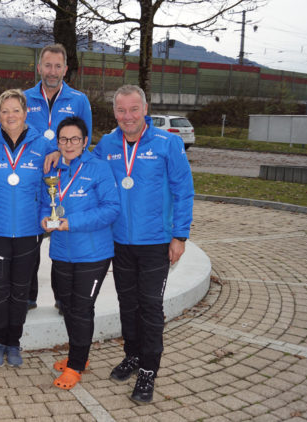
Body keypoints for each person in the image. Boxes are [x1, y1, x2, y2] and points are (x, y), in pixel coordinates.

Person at [92, 84, 194, 403]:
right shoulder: (107, 144)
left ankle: (149, 371)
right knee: (128, 304)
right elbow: (88, 175)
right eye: (121, 110)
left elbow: (183, 191)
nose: (128, 116)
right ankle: (133, 355)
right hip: (120, 242)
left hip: (156, 243)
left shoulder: (168, 143)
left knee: (150, 307)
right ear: (114, 113)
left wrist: (180, 236)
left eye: (134, 109)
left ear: (145, 110)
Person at [39, 116, 119, 390]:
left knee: (82, 308)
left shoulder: (99, 169)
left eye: (74, 139)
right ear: (57, 142)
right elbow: (44, 202)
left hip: (93, 253)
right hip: (62, 251)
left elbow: (111, 208)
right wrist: (44, 219)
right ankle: (79, 356)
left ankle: (75, 366)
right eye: (63, 139)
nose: (69, 144)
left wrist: (72, 223)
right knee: (69, 306)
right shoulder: (53, 170)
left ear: (85, 142)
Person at [0, 89, 52, 368]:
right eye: (5, 111)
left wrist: (46, 218)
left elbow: (48, 190)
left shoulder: (42, 146)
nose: (10, 116)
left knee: (20, 291)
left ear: (25, 112)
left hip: (29, 232)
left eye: (16, 110)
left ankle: (14, 342)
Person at [24, 43, 93, 311]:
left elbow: (84, 142)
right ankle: (28, 296)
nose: (52, 71)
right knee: (31, 240)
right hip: (32, 182)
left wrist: (61, 155)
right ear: (39, 67)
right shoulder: (24, 99)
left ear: (65, 69)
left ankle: (63, 298)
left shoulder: (79, 100)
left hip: (67, 182)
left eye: (57, 66)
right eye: (47, 65)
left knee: (63, 239)